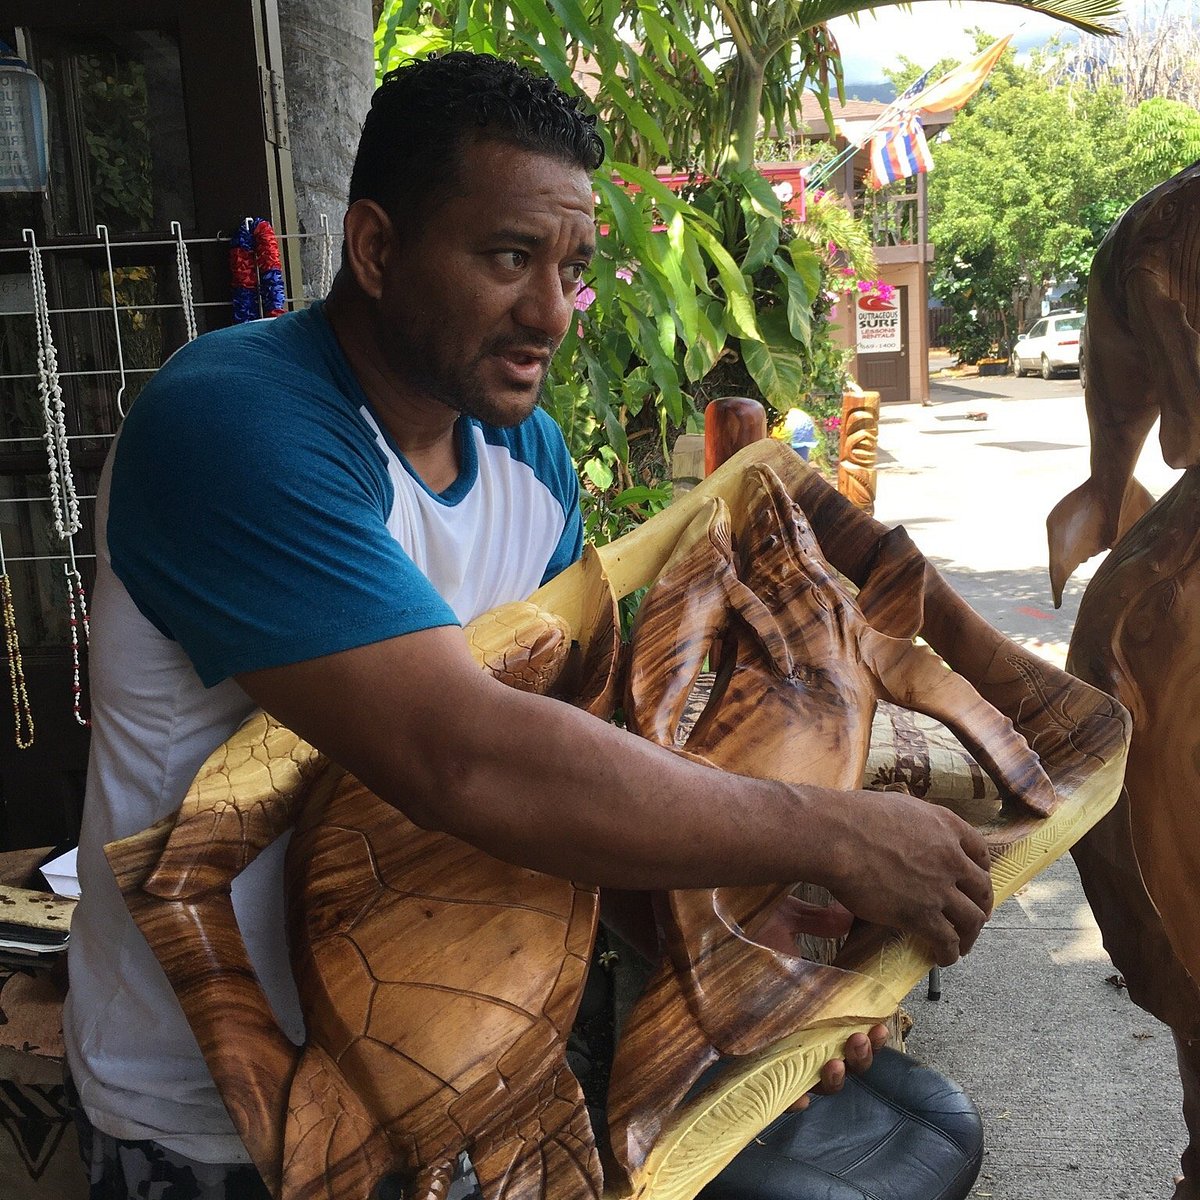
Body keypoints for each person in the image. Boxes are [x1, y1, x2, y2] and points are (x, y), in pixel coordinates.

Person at [63, 52, 994, 1199]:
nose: (551, 311)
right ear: (375, 248)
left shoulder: (525, 458)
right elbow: (469, 757)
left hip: (477, 1069)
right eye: (509, 257)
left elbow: (582, 766)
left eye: (573, 267)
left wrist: (758, 971)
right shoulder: (233, 428)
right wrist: (833, 833)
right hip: (226, 1129)